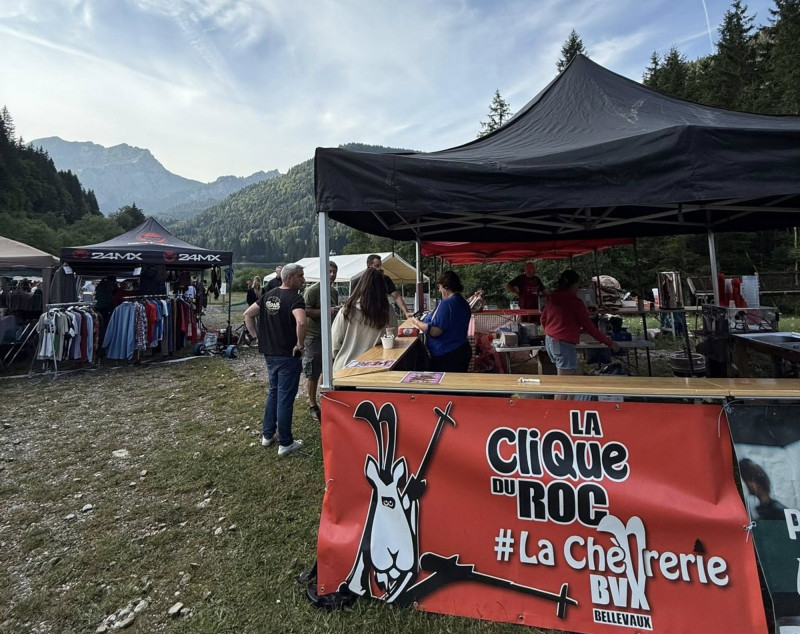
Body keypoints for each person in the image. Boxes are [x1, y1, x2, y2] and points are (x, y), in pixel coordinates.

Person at [244, 263, 306, 457]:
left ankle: (267, 434)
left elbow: (248, 314)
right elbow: (301, 321)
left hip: (270, 352)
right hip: (288, 354)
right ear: (290, 278)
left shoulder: (269, 295)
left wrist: (256, 337)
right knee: (285, 398)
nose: (303, 279)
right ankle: (285, 442)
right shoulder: (295, 298)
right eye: (300, 276)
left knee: (274, 392)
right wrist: (300, 344)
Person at [540, 269, 618, 380]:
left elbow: (543, 319)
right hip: (563, 344)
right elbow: (590, 327)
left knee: (571, 372)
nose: (579, 288)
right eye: (578, 284)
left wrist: (551, 331)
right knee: (566, 381)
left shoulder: (552, 297)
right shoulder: (576, 302)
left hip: (550, 341)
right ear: (573, 285)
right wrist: (609, 343)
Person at [332, 267, 397, 373]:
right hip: (375, 368)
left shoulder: (346, 310)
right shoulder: (387, 311)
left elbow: (334, 344)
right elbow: (392, 336)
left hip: (344, 368)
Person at [409, 271, 472, 372]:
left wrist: (416, 322)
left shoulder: (446, 304)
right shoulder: (463, 302)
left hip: (447, 355)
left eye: (440, 287)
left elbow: (435, 331)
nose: (439, 290)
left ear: (446, 286)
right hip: (461, 350)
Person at [303, 261, 339, 421]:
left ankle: (325, 399)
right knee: (313, 371)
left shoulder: (334, 291)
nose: (332, 275)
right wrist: (326, 311)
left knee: (329, 369)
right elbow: (305, 311)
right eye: (329, 271)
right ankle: (312, 404)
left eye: (334, 272)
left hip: (330, 335)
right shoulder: (312, 290)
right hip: (314, 336)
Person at [366, 254, 411, 319]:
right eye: (377, 266)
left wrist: (406, 312)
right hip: (366, 312)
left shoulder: (385, 279)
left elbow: (396, 296)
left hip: (382, 313)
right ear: (369, 266)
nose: (380, 268)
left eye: (380, 266)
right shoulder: (361, 280)